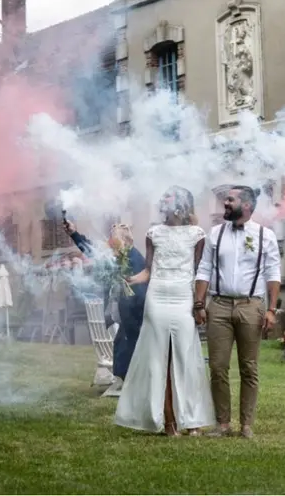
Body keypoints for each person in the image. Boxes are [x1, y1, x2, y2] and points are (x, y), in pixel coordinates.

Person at [114, 186, 214, 436]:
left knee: (186, 356)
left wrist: (199, 304)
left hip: (183, 297)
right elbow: (149, 270)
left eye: (169, 197)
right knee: (159, 359)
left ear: (182, 203)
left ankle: (191, 420)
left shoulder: (197, 234)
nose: (164, 201)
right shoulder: (154, 233)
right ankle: (168, 421)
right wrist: (129, 278)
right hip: (157, 296)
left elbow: (200, 271)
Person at [194, 185, 281, 439]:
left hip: (251, 305)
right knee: (217, 367)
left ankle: (246, 425)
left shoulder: (265, 236)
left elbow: (273, 273)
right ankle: (222, 424)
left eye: (230, 199)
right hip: (219, 305)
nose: (225, 203)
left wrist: (271, 309)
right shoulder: (215, 234)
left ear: (246, 205)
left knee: (249, 367)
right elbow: (204, 269)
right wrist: (199, 304)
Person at [65, 219, 146, 395]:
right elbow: (92, 251)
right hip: (125, 311)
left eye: (113, 239)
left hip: (136, 312)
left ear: (125, 241)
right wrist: (74, 233)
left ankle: (129, 382)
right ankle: (122, 380)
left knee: (128, 344)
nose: (109, 243)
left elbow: (139, 291)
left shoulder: (134, 258)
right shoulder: (116, 255)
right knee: (121, 343)